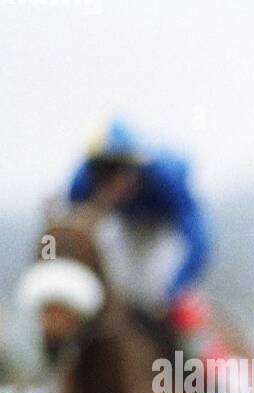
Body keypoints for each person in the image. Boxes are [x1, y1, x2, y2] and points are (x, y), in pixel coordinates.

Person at [68, 120, 216, 355]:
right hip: (119, 225)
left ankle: (213, 379)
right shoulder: (80, 184)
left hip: (163, 230)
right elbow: (72, 235)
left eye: (117, 171)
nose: (109, 182)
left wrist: (174, 290)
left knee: (174, 305)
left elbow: (198, 244)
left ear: (135, 169)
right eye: (102, 173)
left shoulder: (168, 178)